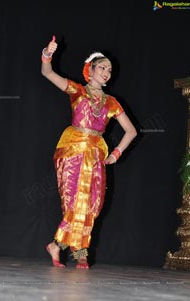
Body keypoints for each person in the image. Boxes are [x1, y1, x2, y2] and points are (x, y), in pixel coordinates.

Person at [41, 36, 137, 269]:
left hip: (95, 155)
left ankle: (60, 245)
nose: (107, 72)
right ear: (90, 70)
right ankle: (78, 250)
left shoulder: (112, 102)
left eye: (110, 69)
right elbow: (47, 73)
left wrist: (115, 153)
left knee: (94, 203)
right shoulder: (78, 90)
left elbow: (131, 131)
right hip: (73, 150)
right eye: (102, 67)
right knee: (75, 201)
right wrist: (47, 54)